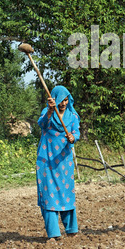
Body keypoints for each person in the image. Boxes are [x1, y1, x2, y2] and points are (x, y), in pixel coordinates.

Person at [36, 85, 80, 240]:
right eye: (61, 100)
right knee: (49, 195)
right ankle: (54, 234)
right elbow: (42, 124)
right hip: (47, 161)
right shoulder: (47, 113)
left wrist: (73, 138)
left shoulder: (73, 116)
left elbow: (76, 132)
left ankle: (71, 229)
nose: (63, 103)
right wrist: (49, 110)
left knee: (66, 193)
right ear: (54, 100)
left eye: (66, 100)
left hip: (64, 162)